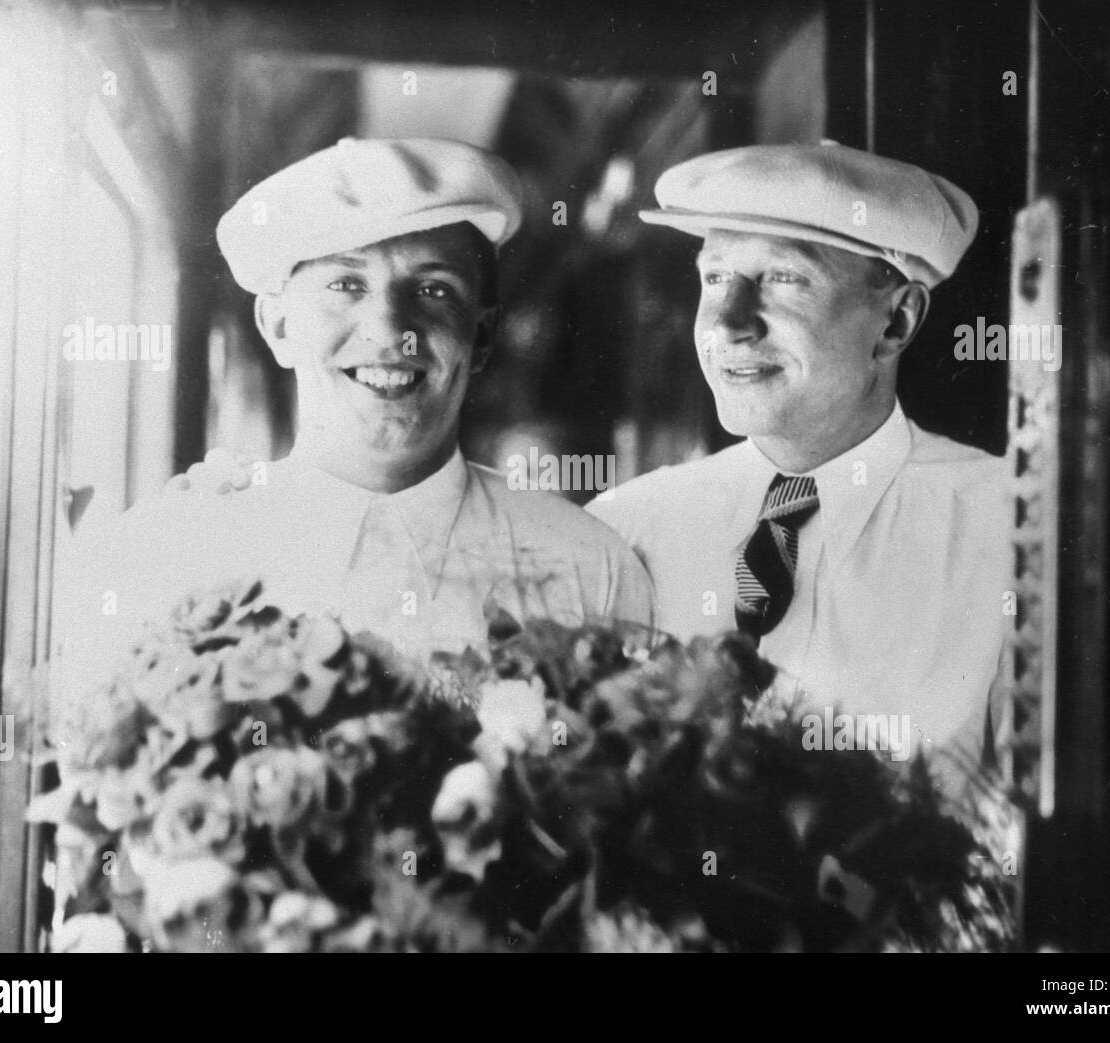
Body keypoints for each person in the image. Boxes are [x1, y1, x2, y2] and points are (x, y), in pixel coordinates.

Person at [57, 137, 655, 692]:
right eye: (346, 285)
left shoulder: (591, 566)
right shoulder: (163, 553)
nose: (391, 331)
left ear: (481, 336)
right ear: (280, 326)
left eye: (434, 289)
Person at [587, 143, 1011, 790]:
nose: (729, 323)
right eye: (715, 277)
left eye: (784, 279)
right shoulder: (624, 533)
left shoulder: (1005, 530)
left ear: (896, 321)